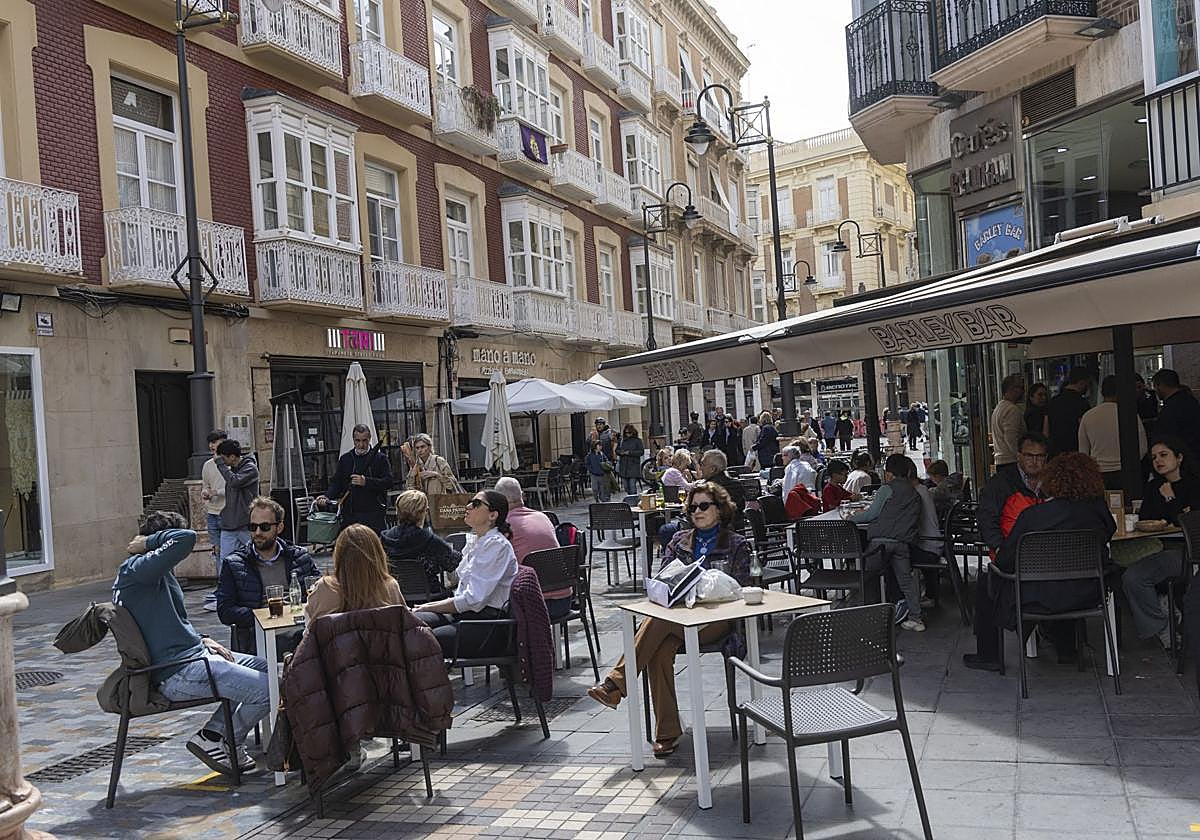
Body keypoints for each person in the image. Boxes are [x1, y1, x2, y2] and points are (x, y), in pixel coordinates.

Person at [587, 482, 751, 757]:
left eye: (704, 506)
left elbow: (742, 589)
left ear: (720, 509)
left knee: (656, 622)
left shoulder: (735, 544)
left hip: (715, 620)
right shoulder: (679, 541)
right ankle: (667, 732)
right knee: (659, 648)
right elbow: (663, 581)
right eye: (693, 507)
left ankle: (615, 684)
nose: (697, 512)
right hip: (677, 617)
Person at [115, 511, 267, 776]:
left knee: (266, 667)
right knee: (270, 688)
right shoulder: (138, 569)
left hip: (193, 656)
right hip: (177, 672)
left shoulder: (151, 572)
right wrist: (148, 542)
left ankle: (212, 735)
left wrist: (201, 638)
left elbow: (160, 623)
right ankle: (228, 740)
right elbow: (186, 538)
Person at [964, 452, 1115, 670]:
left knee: (987, 580)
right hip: (1088, 592)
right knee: (1067, 573)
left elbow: (1006, 559)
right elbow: (1108, 533)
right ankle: (1067, 650)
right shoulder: (1098, 511)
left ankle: (989, 656)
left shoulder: (1034, 515)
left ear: (1052, 480)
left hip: (1038, 597)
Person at [414, 490, 518, 659]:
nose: (468, 506)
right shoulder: (477, 541)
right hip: (465, 616)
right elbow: (461, 589)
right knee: (412, 623)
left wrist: (429, 606)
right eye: (470, 501)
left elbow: (473, 599)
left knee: (422, 639)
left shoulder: (496, 545)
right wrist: (425, 607)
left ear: (492, 515)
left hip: (487, 625)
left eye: (476, 504)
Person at [217, 496, 319, 654]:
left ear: (279, 527)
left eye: (264, 527)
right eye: (253, 527)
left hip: (301, 632)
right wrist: (263, 616)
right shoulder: (234, 564)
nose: (258, 532)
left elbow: (320, 593)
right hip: (259, 637)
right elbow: (225, 611)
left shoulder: (300, 557)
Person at [1122, 437, 1197, 649]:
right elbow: (1146, 518)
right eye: (1154, 457)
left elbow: (1190, 524)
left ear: (1179, 458)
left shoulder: (1194, 485)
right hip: (1154, 547)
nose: (1158, 461)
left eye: (1164, 455)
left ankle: (1164, 630)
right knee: (1119, 570)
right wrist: (1174, 513)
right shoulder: (1153, 486)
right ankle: (1164, 610)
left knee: (1134, 577)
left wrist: (1170, 499)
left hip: (1186, 552)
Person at [850, 454, 926, 631]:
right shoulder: (914, 492)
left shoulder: (887, 489)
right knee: (906, 581)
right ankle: (916, 619)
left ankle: (872, 618)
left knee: (869, 577)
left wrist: (850, 519)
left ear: (889, 473)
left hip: (880, 543)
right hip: (902, 542)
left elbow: (871, 515)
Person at [493, 477, 569, 618]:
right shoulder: (543, 517)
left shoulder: (505, 526)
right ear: (522, 495)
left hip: (531, 606)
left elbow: (494, 566)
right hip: (564, 601)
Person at [305, 524, 405, 624]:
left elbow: (310, 627)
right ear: (378, 554)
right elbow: (403, 623)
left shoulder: (325, 587)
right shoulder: (389, 587)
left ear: (338, 555)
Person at [380, 489, 461, 600]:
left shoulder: (384, 539)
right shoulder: (432, 541)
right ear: (425, 512)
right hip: (430, 599)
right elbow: (453, 570)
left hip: (395, 597)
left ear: (397, 511)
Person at [977, 431, 1048, 555]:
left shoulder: (1052, 482)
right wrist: (1000, 548)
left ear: (1046, 458)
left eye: (1039, 456)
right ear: (1019, 456)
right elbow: (987, 518)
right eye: (1029, 456)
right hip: (1011, 553)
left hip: (1046, 551)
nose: (1034, 461)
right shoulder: (1000, 483)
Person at [314, 424, 393, 532]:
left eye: (364, 440)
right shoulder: (346, 459)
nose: (361, 445)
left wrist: (366, 482)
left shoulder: (380, 459)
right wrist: (327, 496)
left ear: (369, 439)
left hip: (374, 515)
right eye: (357, 441)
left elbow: (388, 482)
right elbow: (337, 483)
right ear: (353, 440)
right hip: (350, 515)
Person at [1078, 375, 1147, 490]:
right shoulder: (1129, 414)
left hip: (1099, 472)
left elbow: (1083, 452)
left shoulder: (1088, 416)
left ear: (1102, 392)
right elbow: (1143, 447)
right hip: (1126, 471)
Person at [214, 439, 259, 564]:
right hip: (229, 524)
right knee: (225, 561)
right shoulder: (232, 470)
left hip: (245, 523)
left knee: (256, 558)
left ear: (232, 457)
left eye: (224, 458)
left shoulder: (250, 468)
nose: (223, 461)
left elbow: (235, 482)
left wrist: (220, 464)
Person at [201, 429, 228, 611]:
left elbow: (233, 487)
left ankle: (226, 590)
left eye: (215, 442)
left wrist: (216, 492)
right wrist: (206, 492)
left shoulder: (229, 463)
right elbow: (206, 485)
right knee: (218, 552)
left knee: (226, 553)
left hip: (227, 514)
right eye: (210, 442)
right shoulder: (208, 465)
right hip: (212, 513)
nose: (212, 446)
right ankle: (221, 589)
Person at [1152, 369, 1200, 457]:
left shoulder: (1170, 408)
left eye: (1155, 386)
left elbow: (1167, 437)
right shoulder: (1191, 400)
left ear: (1159, 385)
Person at [1046, 366, 1093, 455]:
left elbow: (1046, 429)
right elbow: (1085, 429)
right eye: (1088, 383)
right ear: (1082, 382)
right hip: (1075, 451)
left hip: (1056, 452)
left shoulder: (1053, 401)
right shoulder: (1081, 403)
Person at [989, 373, 1026, 468]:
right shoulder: (1012, 410)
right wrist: (1021, 457)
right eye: (1020, 388)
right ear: (1011, 389)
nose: (1023, 391)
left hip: (1000, 459)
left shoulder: (999, 407)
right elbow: (1011, 438)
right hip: (1010, 461)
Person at [615, 424, 645, 496]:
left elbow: (641, 452)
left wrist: (629, 452)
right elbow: (617, 450)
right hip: (623, 466)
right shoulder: (621, 441)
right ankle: (630, 497)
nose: (628, 434)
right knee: (626, 487)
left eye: (629, 432)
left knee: (632, 486)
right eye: (626, 433)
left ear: (633, 432)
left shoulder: (638, 441)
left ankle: (633, 499)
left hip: (633, 466)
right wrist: (621, 452)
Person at [1135, 373, 1158, 437]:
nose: (1137, 390)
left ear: (1143, 385)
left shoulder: (1150, 395)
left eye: (1139, 387)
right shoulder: (1129, 400)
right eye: (1135, 388)